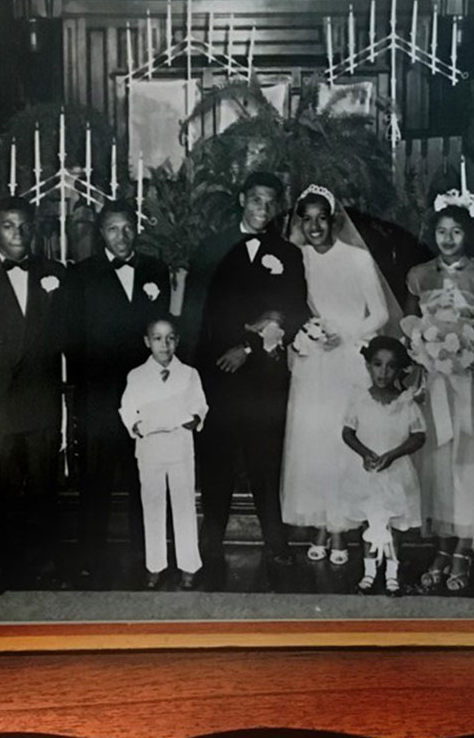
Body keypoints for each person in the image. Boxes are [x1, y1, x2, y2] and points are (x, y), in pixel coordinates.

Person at [179, 172, 309, 577]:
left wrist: (249, 346)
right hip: (215, 371)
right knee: (215, 459)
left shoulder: (287, 254)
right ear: (241, 199)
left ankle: (275, 541)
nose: (263, 210)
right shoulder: (211, 247)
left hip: (263, 377)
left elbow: (293, 312)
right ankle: (210, 541)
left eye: (271, 203)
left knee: (265, 459)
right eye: (256, 201)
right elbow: (197, 315)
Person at [280, 184, 399, 564]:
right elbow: (292, 309)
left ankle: (341, 531)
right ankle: (320, 524)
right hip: (313, 362)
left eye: (321, 218)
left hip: (348, 357)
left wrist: (344, 334)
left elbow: (379, 314)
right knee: (314, 446)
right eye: (307, 219)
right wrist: (308, 335)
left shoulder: (357, 258)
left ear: (334, 220)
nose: (314, 226)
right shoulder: (298, 259)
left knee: (342, 443)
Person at [0, 195, 69, 590]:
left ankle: (42, 566)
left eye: (24, 225)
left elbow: (65, 338)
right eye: (8, 226)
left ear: (34, 229)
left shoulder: (54, 273)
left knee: (42, 489)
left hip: (40, 402)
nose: (17, 233)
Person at [67, 201, 170, 584]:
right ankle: (90, 557)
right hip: (99, 395)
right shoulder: (81, 275)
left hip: (145, 397)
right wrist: (85, 392)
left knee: (144, 474)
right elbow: (71, 338)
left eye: (128, 228)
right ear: (101, 233)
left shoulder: (155, 270)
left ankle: (148, 556)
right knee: (94, 477)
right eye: (113, 229)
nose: (122, 237)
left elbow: (162, 334)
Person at [403, 192, 474, 594]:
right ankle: (441, 546)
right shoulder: (420, 274)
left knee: (467, 463)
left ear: (468, 234)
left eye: (456, 231)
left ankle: (463, 547)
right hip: (434, 379)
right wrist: (420, 341)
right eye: (441, 231)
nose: (448, 238)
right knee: (437, 464)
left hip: (470, 384)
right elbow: (407, 320)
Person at [119, 317, 209, 589]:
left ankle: (189, 566)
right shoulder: (136, 376)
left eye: (170, 338)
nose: (164, 344)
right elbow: (127, 408)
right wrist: (135, 424)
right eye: (157, 338)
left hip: (180, 447)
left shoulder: (189, 374)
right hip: (150, 450)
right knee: (153, 506)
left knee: (183, 507)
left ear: (177, 341)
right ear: (147, 342)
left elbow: (200, 405)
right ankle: (155, 565)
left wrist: (195, 417)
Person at [336, 336, 426, 595]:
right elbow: (348, 432)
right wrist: (365, 454)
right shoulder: (359, 398)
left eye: (390, 366)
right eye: (377, 364)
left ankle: (392, 573)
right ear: (368, 366)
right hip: (367, 472)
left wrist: (394, 454)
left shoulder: (406, 401)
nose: (383, 372)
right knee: (369, 523)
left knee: (394, 525)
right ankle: (369, 572)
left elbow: (419, 435)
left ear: (400, 369)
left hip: (396, 471)